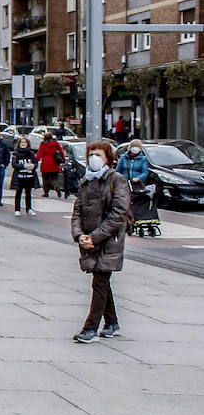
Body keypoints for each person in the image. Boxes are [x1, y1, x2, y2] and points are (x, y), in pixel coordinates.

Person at [71, 139, 131, 343]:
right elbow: (77, 211)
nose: (93, 158)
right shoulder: (86, 181)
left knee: (100, 281)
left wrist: (94, 237)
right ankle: (112, 322)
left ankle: (90, 328)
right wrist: (80, 236)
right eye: (91, 154)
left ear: (108, 158)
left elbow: (118, 213)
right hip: (89, 240)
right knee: (102, 283)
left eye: (98, 154)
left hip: (108, 241)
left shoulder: (117, 180)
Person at [10, 136, 39, 216]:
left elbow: (36, 163)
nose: (23, 144)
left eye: (25, 143)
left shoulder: (31, 153)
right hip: (19, 177)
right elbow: (14, 164)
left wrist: (33, 166)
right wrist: (23, 166)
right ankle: (17, 209)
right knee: (18, 193)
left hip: (29, 176)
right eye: (22, 142)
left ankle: (29, 209)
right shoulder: (16, 154)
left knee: (28, 193)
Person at [38, 133, 66, 198]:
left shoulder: (43, 144)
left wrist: (35, 161)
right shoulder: (56, 144)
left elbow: (39, 154)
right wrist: (63, 160)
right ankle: (57, 187)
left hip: (45, 163)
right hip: (55, 163)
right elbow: (61, 152)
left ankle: (46, 192)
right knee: (54, 178)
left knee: (45, 179)